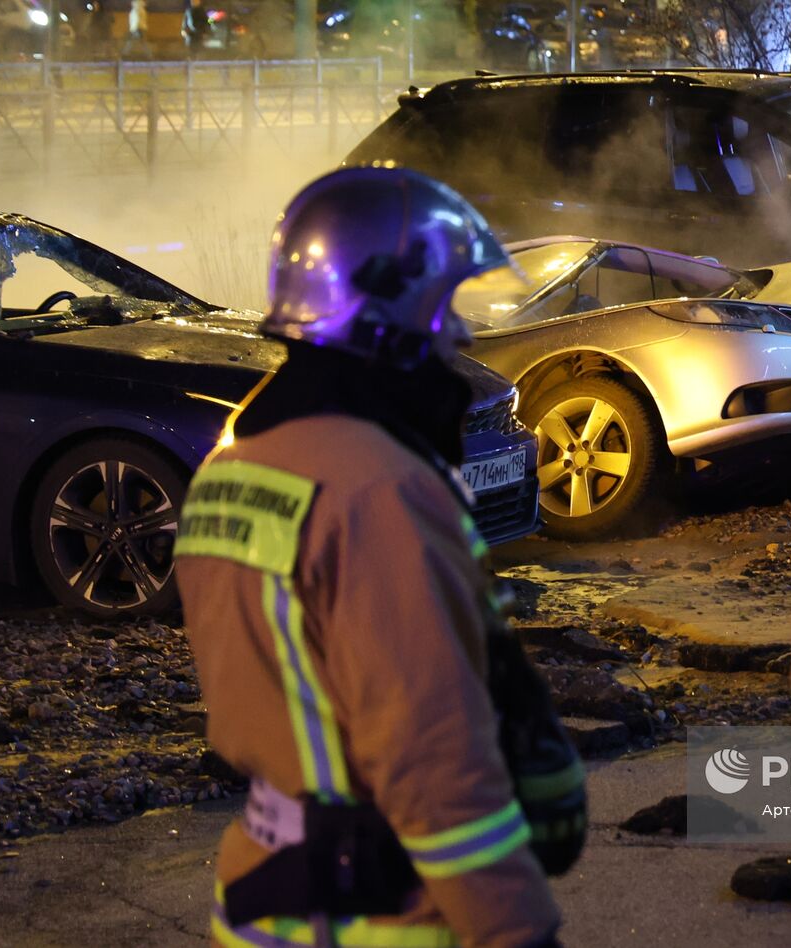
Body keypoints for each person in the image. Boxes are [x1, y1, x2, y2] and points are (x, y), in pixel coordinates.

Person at [175, 166, 581, 947]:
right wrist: (518, 930)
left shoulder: (236, 468)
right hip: (378, 913)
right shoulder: (378, 489)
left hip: (264, 895)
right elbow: (431, 757)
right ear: (389, 311)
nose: (456, 335)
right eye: (443, 306)